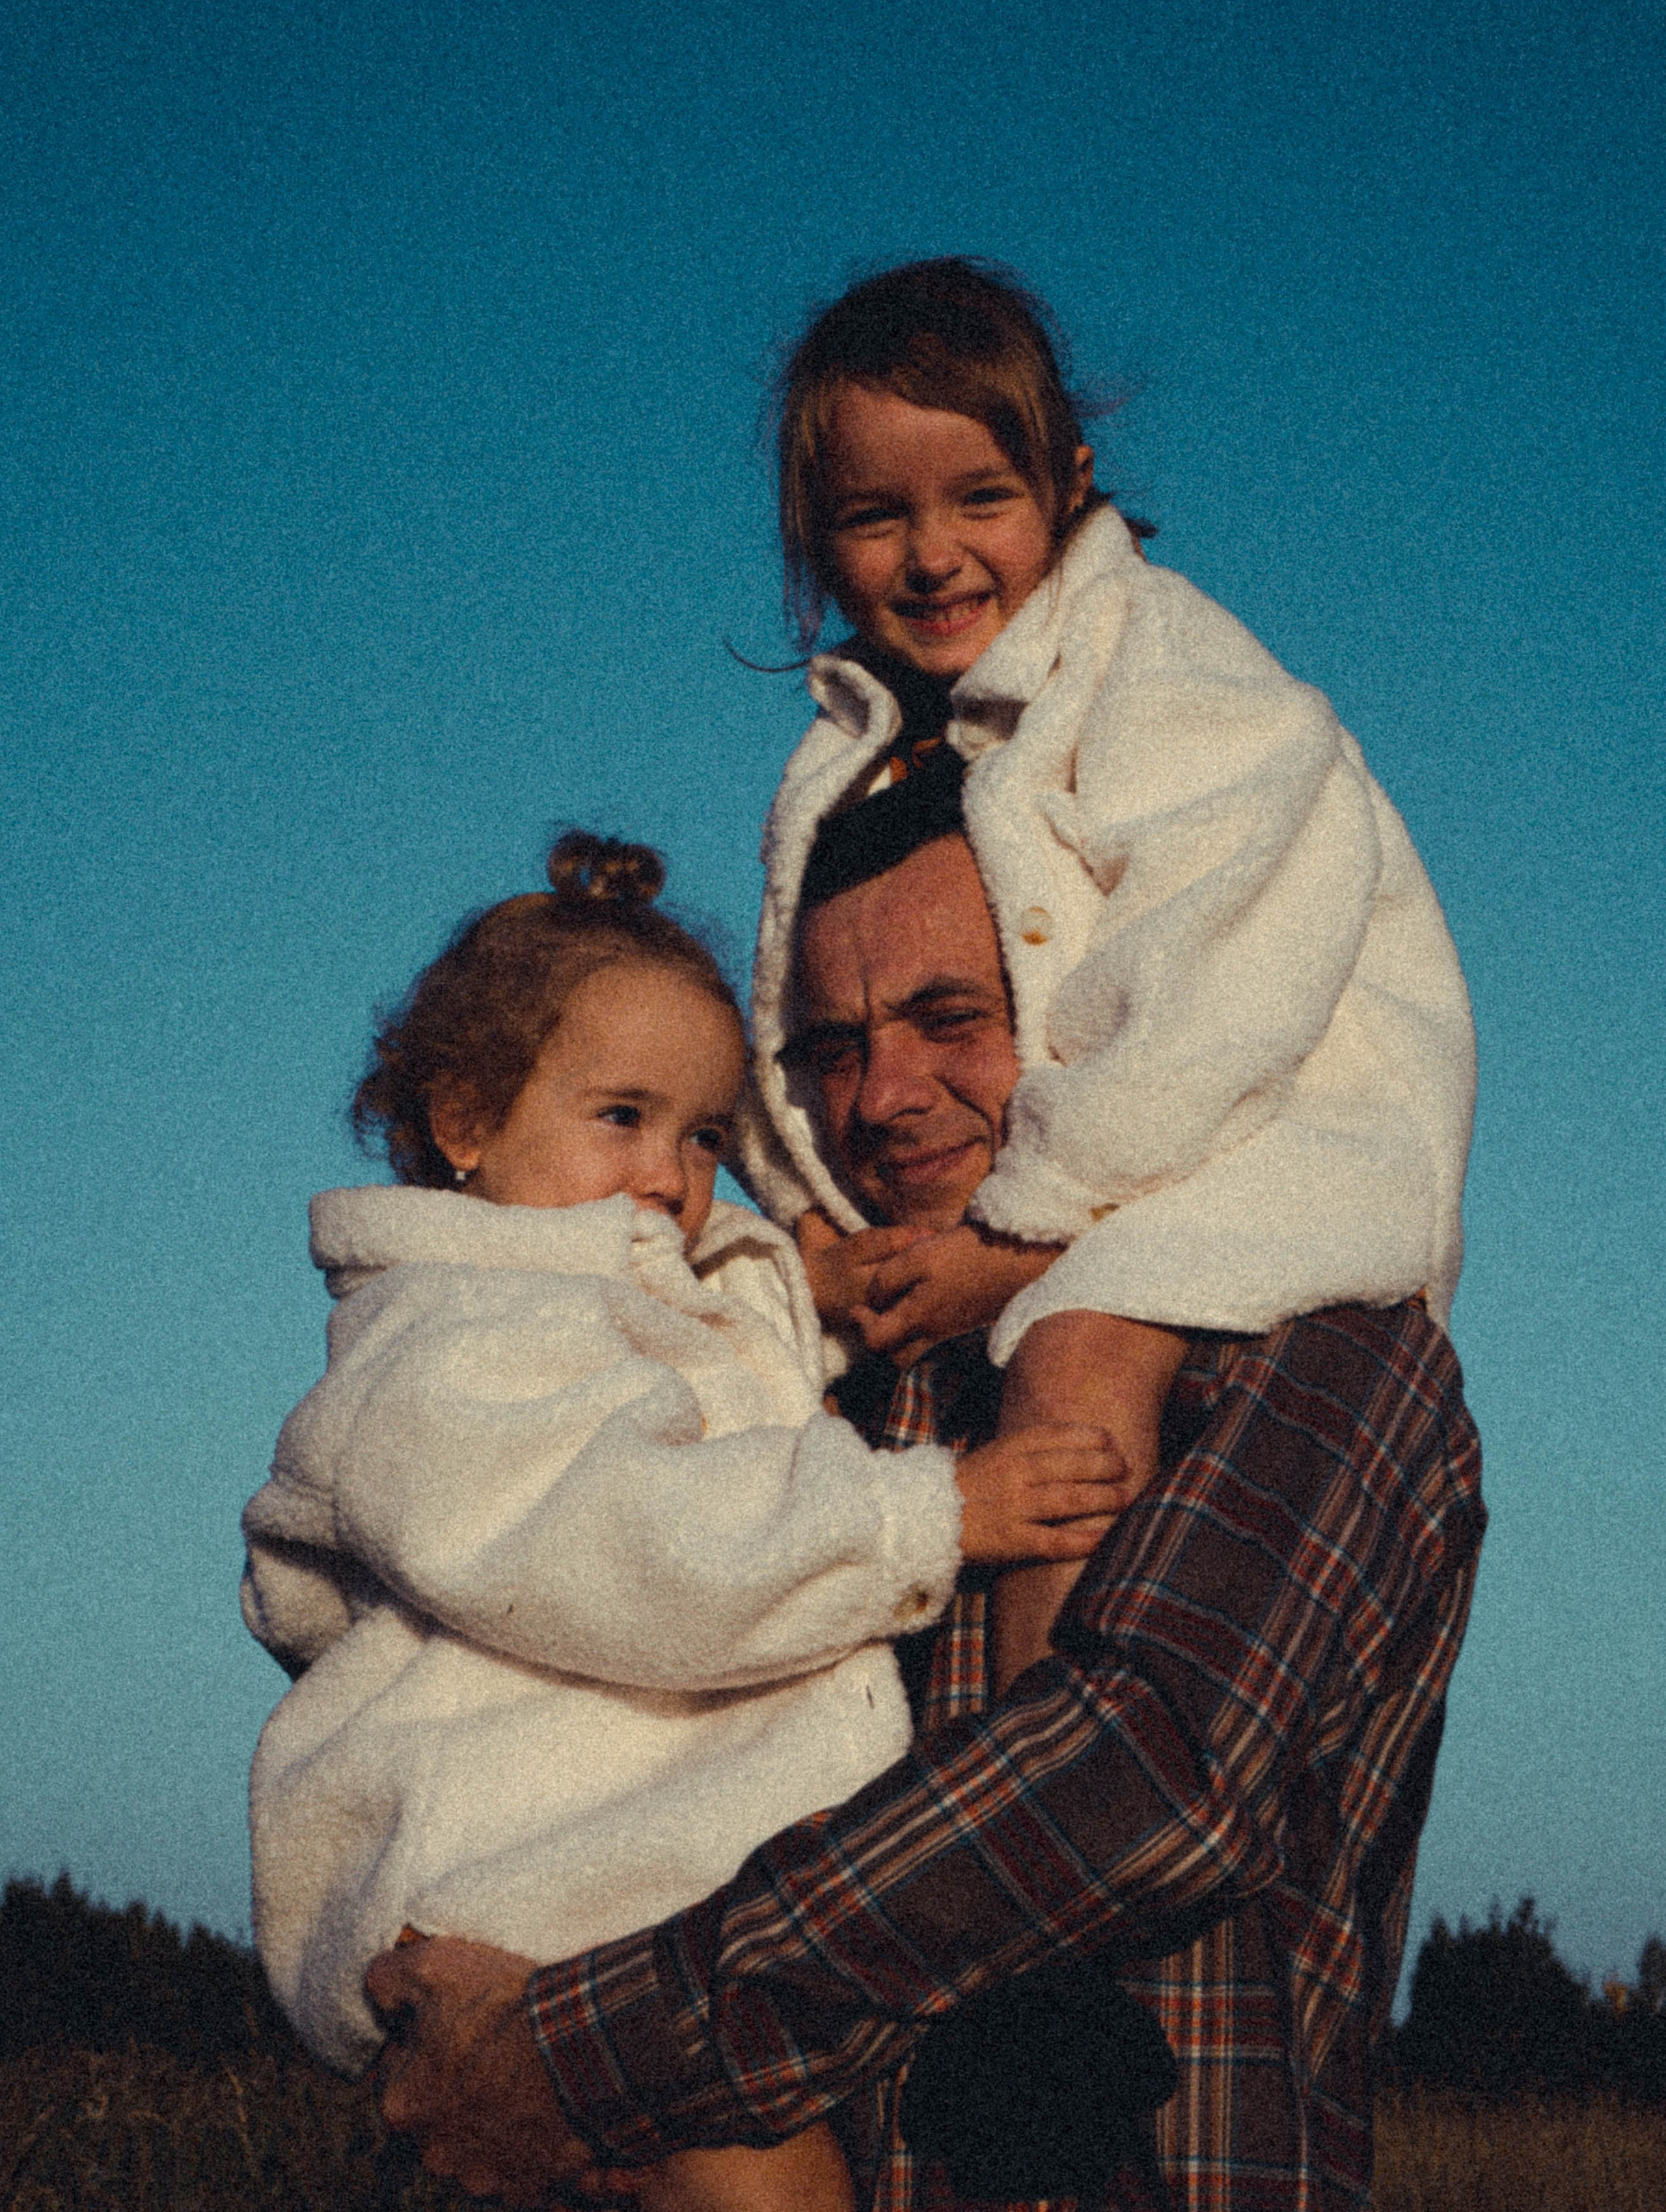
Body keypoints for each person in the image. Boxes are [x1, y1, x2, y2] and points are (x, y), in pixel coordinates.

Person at [367, 816, 1485, 2211]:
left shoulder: (1307, 1347)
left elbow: (1138, 1781)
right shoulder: (793, 1375)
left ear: (1094, 1018)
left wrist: (578, 2055)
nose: (885, 1096)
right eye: (835, 1049)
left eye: (951, 1019)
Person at [243, 830, 1133, 2212]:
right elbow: (628, 1535)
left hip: (619, 1902)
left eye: (705, 1135)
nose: (669, 1176)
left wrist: (798, 1289)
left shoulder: (597, 1303)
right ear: (465, 1122)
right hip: (532, 1899)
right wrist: (926, 1513)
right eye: (623, 1117)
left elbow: (708, 1368)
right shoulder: (447, 1346)